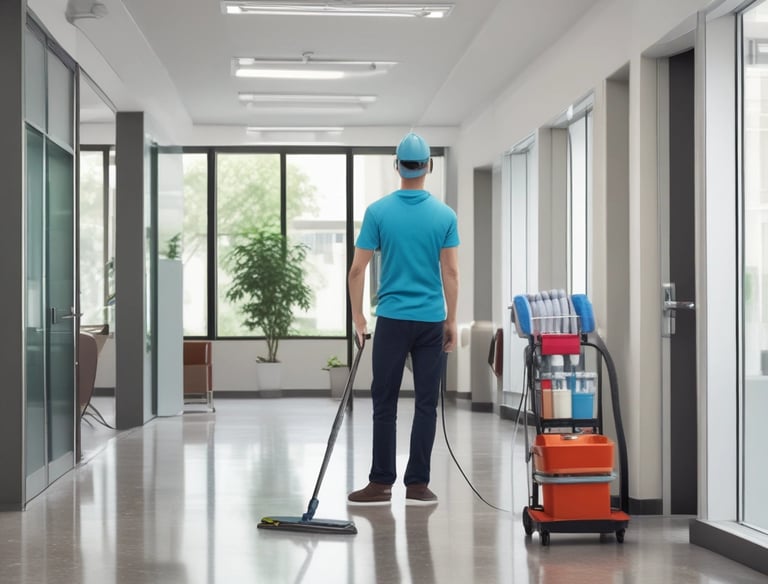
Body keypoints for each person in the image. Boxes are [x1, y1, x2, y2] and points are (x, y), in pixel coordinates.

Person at [347, 131, 460, 506]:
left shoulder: (378, 212)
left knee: (385, 401)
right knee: (427, 401)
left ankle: (380, 484)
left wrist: (358, 317)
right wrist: (451, 321)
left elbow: (357, 270)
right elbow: (451, 273)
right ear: (429, 166)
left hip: (392, 320)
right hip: (430, 320)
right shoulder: (444, 215)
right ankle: (418, 485)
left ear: (397, 166)